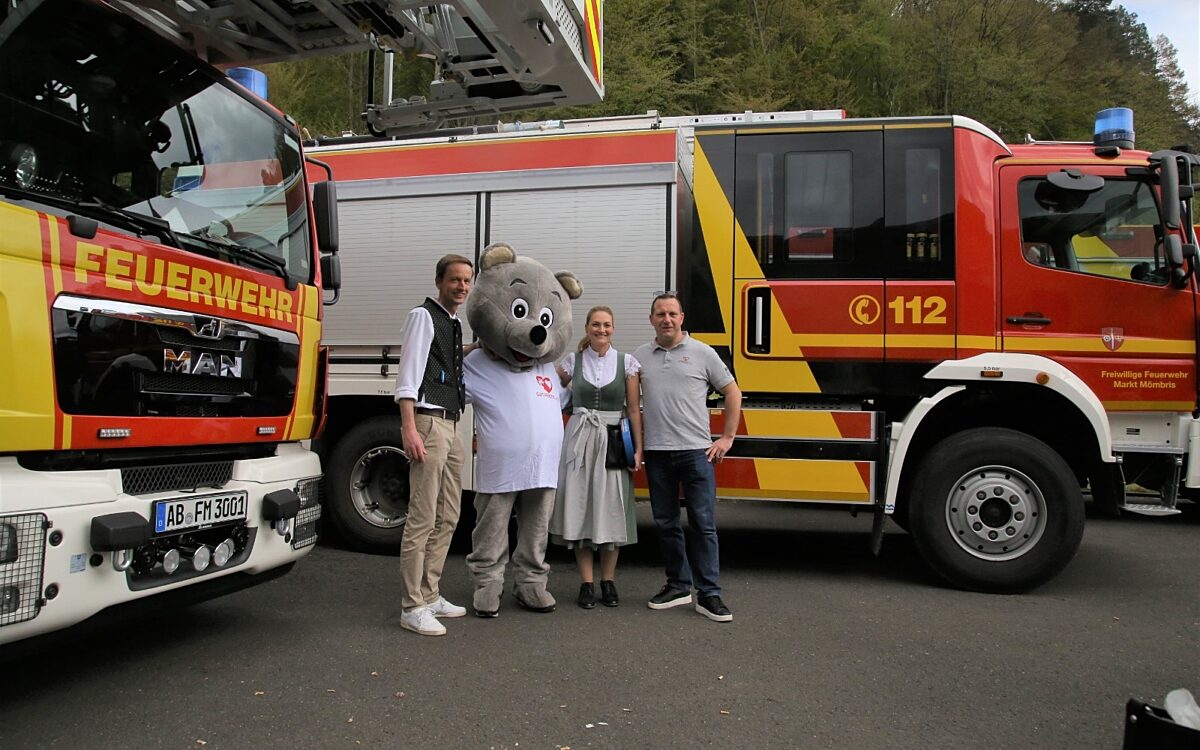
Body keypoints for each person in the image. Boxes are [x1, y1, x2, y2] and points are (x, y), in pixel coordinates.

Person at [633, 292, 742, 623]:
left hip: (697, 453)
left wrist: (727, 437)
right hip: (658, 453)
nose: (667, 319)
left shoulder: (702, 353)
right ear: (651, 319)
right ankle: (679, 586)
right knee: (666, 524)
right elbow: (631, 406)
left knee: (703, 525)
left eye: (672, 314)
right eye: (660, 314)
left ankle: (709, 594)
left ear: (682, 318)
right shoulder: (638, 357)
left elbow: (732, 391)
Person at [393, 253, 473, 637]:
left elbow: (449, 363)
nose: (462, 286)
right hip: (428, 421)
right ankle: (412, 606)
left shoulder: (454, 322)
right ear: (439, 281)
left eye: (467, 281)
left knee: (450, 514)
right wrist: (409, 428)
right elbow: (408, 375)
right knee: (422, 517)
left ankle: (430, 592)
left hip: (452, 423)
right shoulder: (423, 317)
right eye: (455, 279)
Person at [549, 306, 644, 609]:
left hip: (613, 440)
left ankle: (609, 580)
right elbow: (546, 389)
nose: (601, 330)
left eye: (606, 325)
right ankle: (587, 582)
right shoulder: (571, 361)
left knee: (611, 506)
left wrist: (637, 448)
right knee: (581, 506)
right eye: (595, 325)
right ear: (587, 328)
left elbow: (632, 409)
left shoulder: (627, 363)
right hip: (579, 438)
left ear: (613, 329)